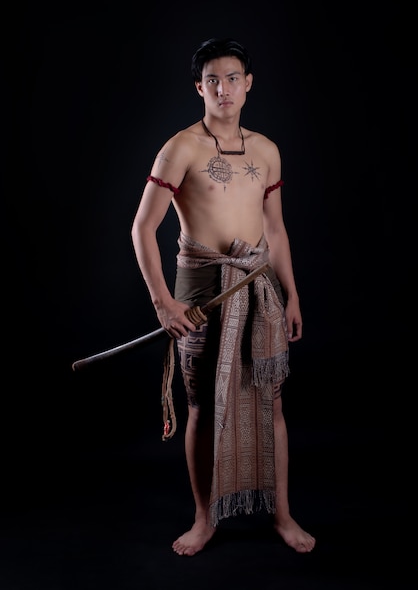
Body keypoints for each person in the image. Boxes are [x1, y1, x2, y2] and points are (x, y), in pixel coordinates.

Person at [131, 37, 316, 556]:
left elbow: (275, 232)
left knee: (271, 400)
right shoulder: (181, 147)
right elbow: (142, 228)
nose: (224, 88)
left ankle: (281, 514)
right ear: (199, 87)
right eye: (212, 80)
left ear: (248, 83)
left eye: (233, 78)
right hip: (200, 292)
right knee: (200, 405)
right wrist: (164, 303)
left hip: (258, 289)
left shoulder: (266, 150)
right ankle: (204, 518)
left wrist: (292, 294)